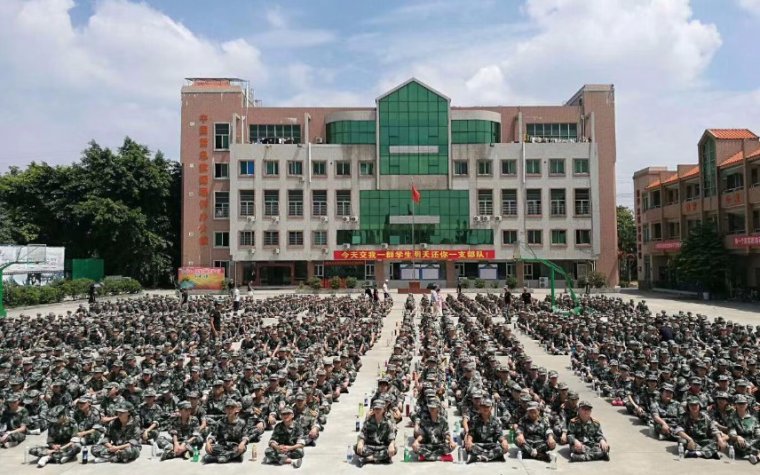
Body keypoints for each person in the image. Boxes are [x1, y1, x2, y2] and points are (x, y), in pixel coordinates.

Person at [204, 399, 249, 464]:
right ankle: (231, 456)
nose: (230, 410)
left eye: (232, 407)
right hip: (222, 446)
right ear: (225, 409)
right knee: (209, 448)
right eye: (227, 408)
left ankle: (219, 457)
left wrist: (242, 443)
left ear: (236, 409)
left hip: (235, 446)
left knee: (243, 448)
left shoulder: (242, 422)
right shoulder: (220, 422)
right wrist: (208, 443)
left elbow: (245, 436)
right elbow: (214, 435)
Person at [464, 398, 509, 463]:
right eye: (483, 406)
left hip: (491, 445)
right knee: (469, 447)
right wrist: (469, 441)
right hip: (478, 445)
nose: (485, 408)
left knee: (503, 448)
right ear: (480, 407)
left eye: (487, 406)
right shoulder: (474, 420)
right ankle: (492, 456)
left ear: (491, 408)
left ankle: (480, 457)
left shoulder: (495, 421)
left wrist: (504, 441)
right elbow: (471, 433)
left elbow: (499, 435)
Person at [354, 399, 397, 466]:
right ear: (373, 409)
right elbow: (363, 434)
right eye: (376, 408)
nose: (377, 410)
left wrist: (391, 445)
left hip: (382, 447)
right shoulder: (368, 421)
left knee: (394, 449)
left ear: (384, 410)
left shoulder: (388, 422)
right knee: (356, 448)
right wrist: (360, 442)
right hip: (370, 446)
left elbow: (391, 436)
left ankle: (368, 459)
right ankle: (381, 458)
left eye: (379, 409)